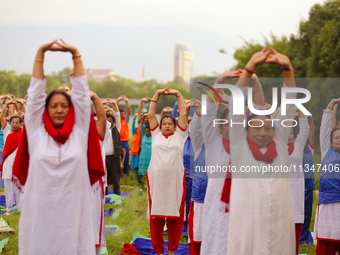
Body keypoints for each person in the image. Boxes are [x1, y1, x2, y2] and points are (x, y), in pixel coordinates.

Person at [12, 39, 105, 255]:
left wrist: (75, 54)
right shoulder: (36, 132)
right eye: (54, 105)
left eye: (64, 105)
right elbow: (35, 95)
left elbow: (82, 95)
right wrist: (40, 52)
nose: (59, 109)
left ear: (72, 109)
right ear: (45, 110)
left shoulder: (80, 133)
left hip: (73, 212)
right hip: (40, 212)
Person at [226, 48, 296, 254]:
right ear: (245, 130)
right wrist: (249, 69)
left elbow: (290, 104)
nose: (263, 132)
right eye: (256, 127)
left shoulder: (280, 144)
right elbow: (235, 107)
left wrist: (288, 69)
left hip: (279, 223)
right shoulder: (240, 146)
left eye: (268, 127)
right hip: (247, 226)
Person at [147, 87, 187, 255]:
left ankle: (171, 249)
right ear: (160, 126)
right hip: (157, 182)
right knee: (156, 217)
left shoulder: (180, 135)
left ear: (175, 126)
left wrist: (178, 95)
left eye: (170, 123)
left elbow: (184, 115)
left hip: (175, 182)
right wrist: (157, 93)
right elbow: (150, 115)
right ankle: (158, 250)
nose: (168, 126)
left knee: (174, 218)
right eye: (164, 124)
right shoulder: (155, 134)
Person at [313, 98, 340, 255]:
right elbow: (325, 129)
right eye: (336, 137)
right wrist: (331, 105)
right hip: (328, 203)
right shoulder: (326, 151)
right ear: (330, 141)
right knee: (326, 246)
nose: (339, 139)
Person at [287, 109, 310, 255]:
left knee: (294, 232)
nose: (287, 135)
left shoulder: (298, 146)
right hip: (280, 193)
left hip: (295, 193)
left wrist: (299, 109)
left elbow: (305, 128)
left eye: (290, 133)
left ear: (294, 135)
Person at [0, 98, 24, 214]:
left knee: (19, 190)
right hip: (8, 166)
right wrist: (6, 105)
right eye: (12, 122)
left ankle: (20, 210)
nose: (14, 124)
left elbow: (28, 118)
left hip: (19, 166)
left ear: (20, 124)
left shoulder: (23, 132)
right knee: (8, 190)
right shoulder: (7, 131)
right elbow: (1, 119)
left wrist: (23, 104)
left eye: (17, 123)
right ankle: (9, 209)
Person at [299, 116, 315, 245]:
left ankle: (303, 237)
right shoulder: (295, 152)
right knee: (298, 214)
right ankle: (298, 235)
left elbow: (311, 132)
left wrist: (310, 120)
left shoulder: (310, 150)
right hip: (297, 188)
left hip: (308, 188)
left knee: (307, 214)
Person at [105, 112, 123, 195]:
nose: (108, 123)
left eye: (110, 121)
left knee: (115, 177)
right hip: (105, 158)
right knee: (104, 178)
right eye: (106, 121)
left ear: (113, 122)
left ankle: (117, 195)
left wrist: (115, 103)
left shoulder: (117, 129)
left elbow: (117, 116)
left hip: (114, 157)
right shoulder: (102, 130)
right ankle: (104, 196)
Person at [117, 95, 131, 176]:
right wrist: (118, 100)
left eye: (123, 113)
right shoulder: (116, 119)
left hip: (125, 141)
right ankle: (118, 172)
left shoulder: (126, 119)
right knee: (117, 158)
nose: (122, 115)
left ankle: (125, 172)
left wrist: (127, 101)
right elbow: (114, 109)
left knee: (126, 158)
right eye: (121, 113)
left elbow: (129, 110)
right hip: (118, 141)